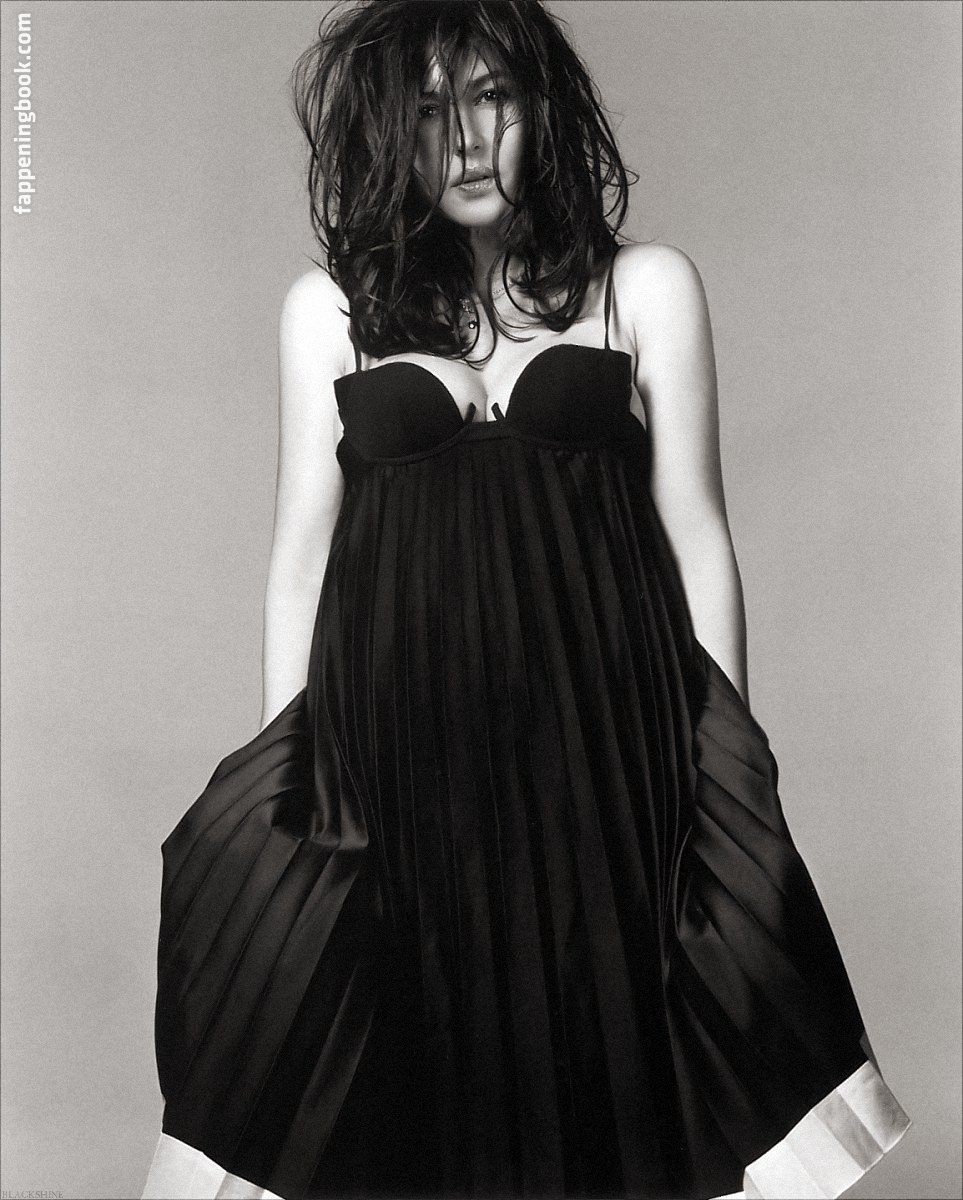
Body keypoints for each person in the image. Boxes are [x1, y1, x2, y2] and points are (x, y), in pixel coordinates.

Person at [141, 3, 911, 1198]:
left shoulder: (645, 287)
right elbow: (300, 558)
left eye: (491, 97)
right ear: (389, 132)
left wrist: (727, 763)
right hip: (399, 751)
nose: (463, 139)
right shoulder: (329, 313)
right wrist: (288, 781)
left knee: (608, 1042)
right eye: (429, 110)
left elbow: (698, 531)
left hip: (608, 746)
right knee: (415, 1058)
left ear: (542, 106)